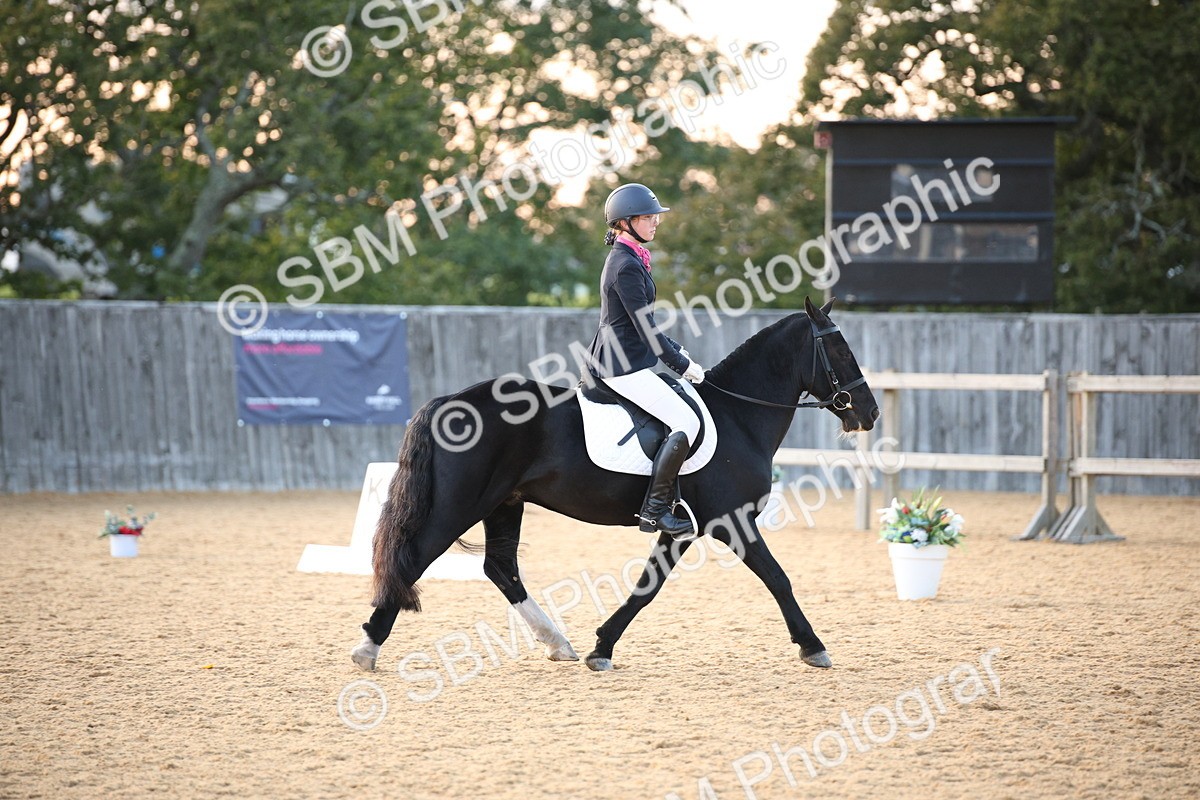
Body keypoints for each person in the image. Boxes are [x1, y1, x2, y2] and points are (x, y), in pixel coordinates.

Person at [586, 183, 706, 541]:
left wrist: (677, 350)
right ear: (626, 223)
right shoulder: (625, 265)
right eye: (649, 217)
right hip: (621, 366)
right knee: (686, 421)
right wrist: (680, 365)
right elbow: (645, 328)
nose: (656, 222)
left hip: (629, 358)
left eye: (656, 217)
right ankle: (655, 513)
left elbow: (647, 326)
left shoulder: (631, 258)